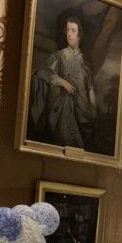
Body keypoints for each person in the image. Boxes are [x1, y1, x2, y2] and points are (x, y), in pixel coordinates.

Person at [29, 14, 97, 149]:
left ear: (79, 35)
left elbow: (90, 89)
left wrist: (93, 112)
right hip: (64, 113)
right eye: (67, 30)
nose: (69, 34)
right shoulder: (59, 57)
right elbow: (41, 72)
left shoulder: (85, 64)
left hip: (84, 116)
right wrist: (62, 82)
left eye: (73, 30)